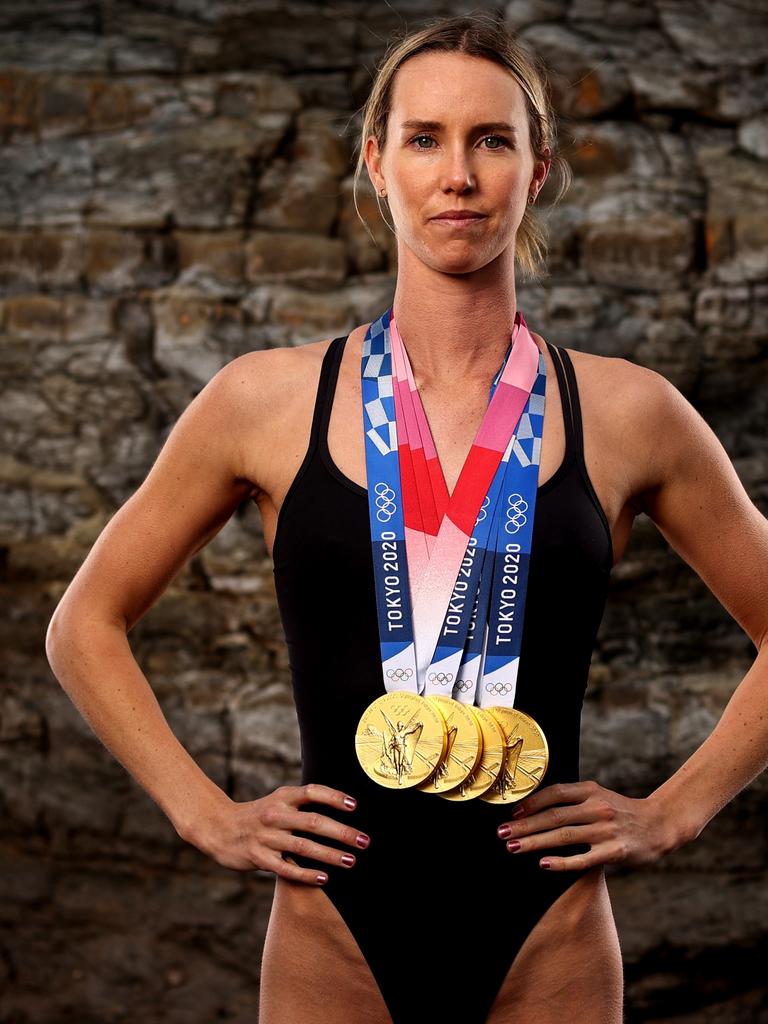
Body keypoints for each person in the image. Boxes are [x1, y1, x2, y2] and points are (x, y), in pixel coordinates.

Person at [45, 13, 768, 1024]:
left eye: (492, 140)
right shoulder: (264, 400)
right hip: (334, 934)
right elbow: (84, 623)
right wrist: (202, 811)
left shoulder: (627, 410)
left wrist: (678, 810)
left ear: (540, 167)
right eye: (425, 138)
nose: (458, 174)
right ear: (377, 164)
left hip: (546, 935)